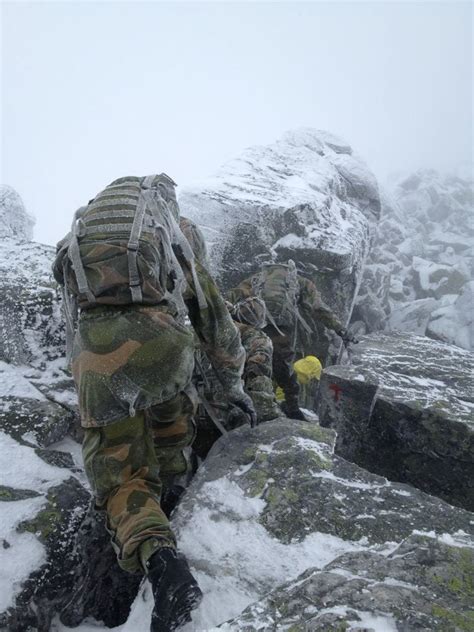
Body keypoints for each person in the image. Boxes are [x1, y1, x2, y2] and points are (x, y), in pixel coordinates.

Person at [53, 174, 256, 632]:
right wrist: (232, 390)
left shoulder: (82, 230)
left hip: (96, 356)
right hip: (164, 348)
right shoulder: (173, 230)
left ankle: (159, 559)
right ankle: (175, 505)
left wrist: (87, 377)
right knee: (169, 448)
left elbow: (69, 306)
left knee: (120, 474)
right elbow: (213, 317)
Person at [228, 260, 357, 420]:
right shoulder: (299, 282)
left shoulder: (258, 279)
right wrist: (340, 329)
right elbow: (319, 308)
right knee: (285, 372)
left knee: (252, 362)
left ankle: (242, 401)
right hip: (280, 330)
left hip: (252, 324)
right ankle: (290, 410)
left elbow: (234, 295)